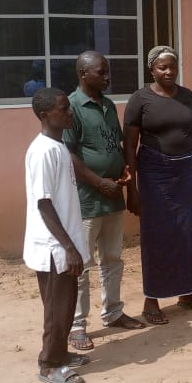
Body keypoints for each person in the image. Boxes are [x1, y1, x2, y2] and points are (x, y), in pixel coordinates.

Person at [63, 51, 146, 352]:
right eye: (102, 72)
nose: (108, 77)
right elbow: (69, 155)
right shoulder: (72, 108)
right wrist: (99, 182)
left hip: (113, 199)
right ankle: (77, 325)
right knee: (82, 265)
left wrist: (124, 179)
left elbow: (118, 145)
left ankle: (112, 312)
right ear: (84, 74)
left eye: (108, 72)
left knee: (112, 259)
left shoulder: (108, 106)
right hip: (87, 201)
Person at [123, 45, 192, 324]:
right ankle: (152, 300)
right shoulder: (140, 99)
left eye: (172, 66)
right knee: (157, 236)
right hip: (154, 173)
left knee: (188, 232)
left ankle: (186, 293)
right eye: (162, 67)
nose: (168, 71)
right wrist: (132, 187)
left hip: (185, 171)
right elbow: (130, 145)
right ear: (152, 70)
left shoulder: (187, 96)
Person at [23, 87, 91, 383]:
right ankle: (49, 365)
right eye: (63, 109)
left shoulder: (58, 146)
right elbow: (44, 203)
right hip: (53, 247)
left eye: (68, 108)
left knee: (66, 303)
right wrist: (68, 247)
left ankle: (61, 354)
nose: (69, 112)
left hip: (64, 243)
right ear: (44, 115)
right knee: (56, 308)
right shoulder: (42, 152)